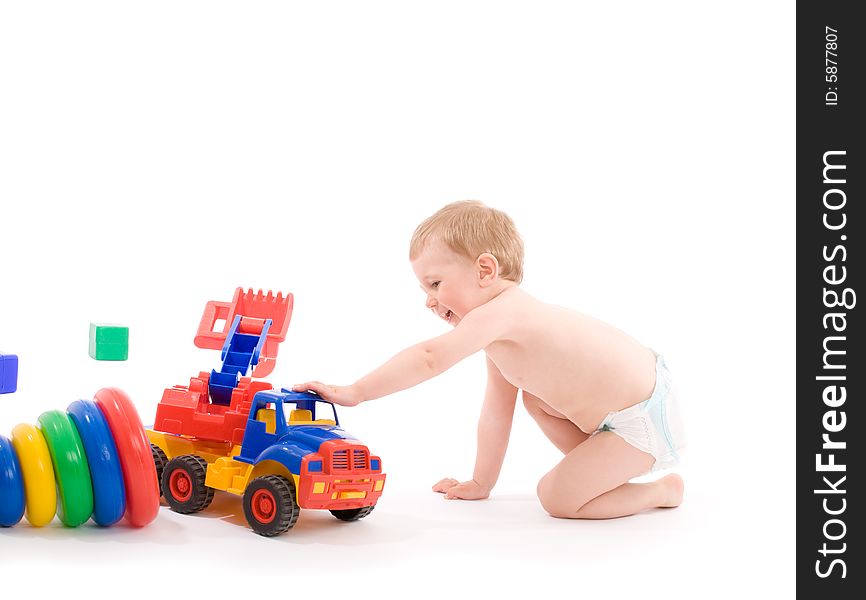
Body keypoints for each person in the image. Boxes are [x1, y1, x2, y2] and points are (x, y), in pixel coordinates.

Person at [293, 200, 685, 519]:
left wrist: (357, 391)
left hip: (642, 418)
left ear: (485, 270)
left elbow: (429, 358)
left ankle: (660, 492)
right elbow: (496, 414)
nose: (429, 300)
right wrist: (482, 483)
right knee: (534, 398)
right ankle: (599, 470)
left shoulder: (508, 312)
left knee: (557, 498)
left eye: (435, 284)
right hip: (617, 416)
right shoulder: (501, 339)